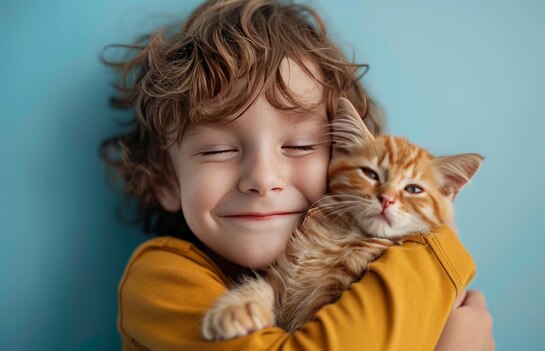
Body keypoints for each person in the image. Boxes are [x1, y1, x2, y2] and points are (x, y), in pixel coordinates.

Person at [100, 0, 494, 350]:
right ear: (165, 181)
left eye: (300, 146)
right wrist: (439, 251)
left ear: (344, 157)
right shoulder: (160, 281)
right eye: (218, 150)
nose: (263, 178)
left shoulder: (370, 258)